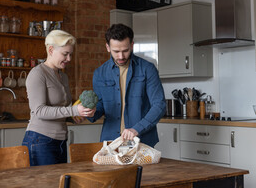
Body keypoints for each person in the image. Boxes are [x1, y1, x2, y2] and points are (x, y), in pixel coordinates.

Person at [22, 30, 95, 166]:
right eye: (65, 54)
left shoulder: (63, 77)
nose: (69, 59)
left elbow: (60, 109)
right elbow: (39, 111)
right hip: (40, 141)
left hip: (60, 141)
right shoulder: (38, 74)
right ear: (51, 50)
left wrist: (75, 117)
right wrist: (73, 111)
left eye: (71, 54)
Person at [89, 24, 166, 147]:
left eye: (125, 50)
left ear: (131, 45)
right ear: (108, 47)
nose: (121, 56)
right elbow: (100, 107)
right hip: (111, 142)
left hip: (142, 141)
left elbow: (159, 105)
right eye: (116, 51)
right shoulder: (99, 73)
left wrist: (137, 129)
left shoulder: (147, 69)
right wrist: (89, 112)